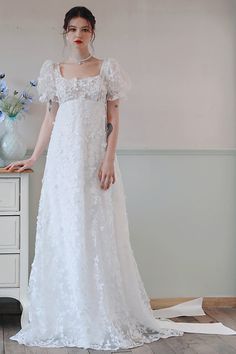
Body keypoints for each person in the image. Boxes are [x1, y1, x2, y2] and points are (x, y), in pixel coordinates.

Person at [5, 6, 184, 350]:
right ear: (65, 32)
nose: (78, 34)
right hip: (61, 164)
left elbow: (113, 116)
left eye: (84, 29)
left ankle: (100, 312)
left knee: (95, 230)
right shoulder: (53, 71)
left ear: (92, 33)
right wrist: (32, 157)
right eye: (72, 28)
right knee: (66, 230)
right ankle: (68, 312)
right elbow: (49, 120)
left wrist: (108, 159)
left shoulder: (106, 69)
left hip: (94, 162)